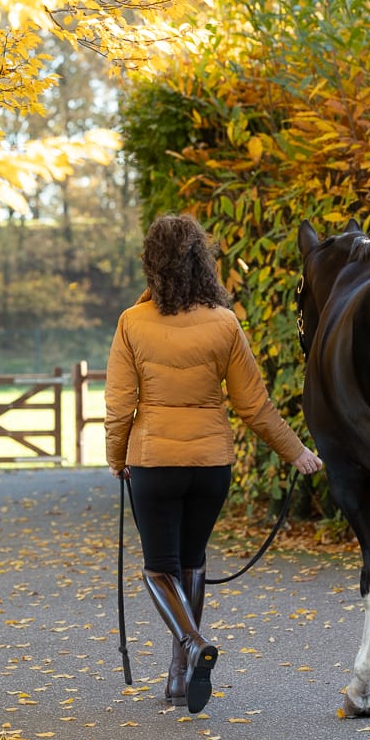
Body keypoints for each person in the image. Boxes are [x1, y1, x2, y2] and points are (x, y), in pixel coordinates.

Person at [105, 213, 323, 714]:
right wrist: (297, 452)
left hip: (155, 463)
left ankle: (193, 643)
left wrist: (116, 457)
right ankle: (180, 679)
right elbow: (255, 406)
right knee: (192, 561)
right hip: (211, 467)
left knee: (158, 569)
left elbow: (119, 405)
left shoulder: (132, 323)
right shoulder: (225, 323)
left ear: (152, 265)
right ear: (202, 263)